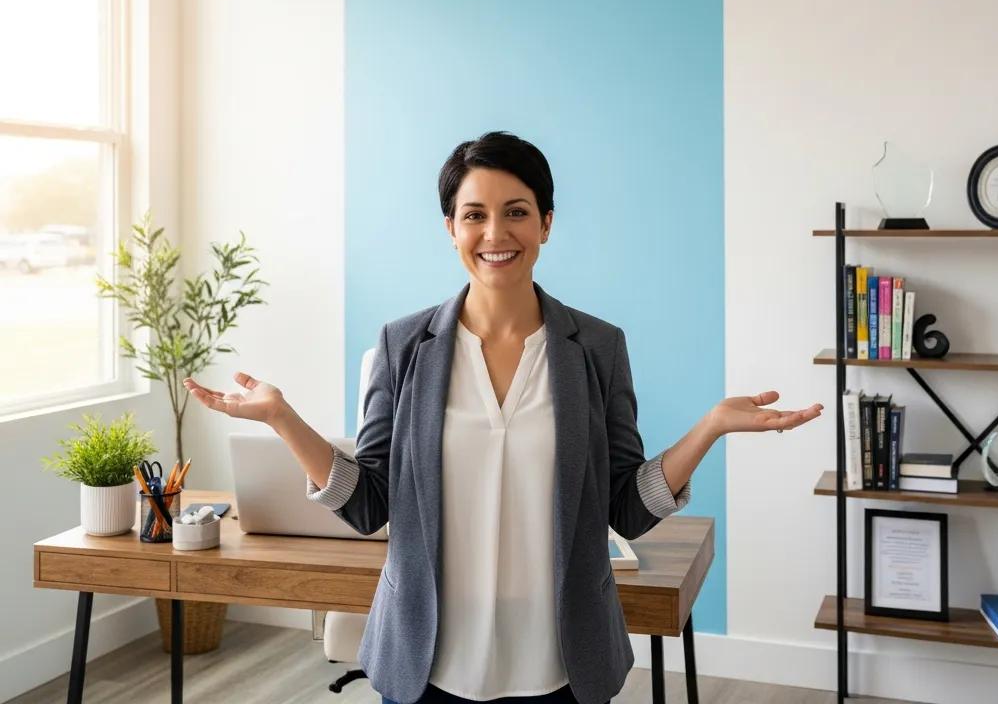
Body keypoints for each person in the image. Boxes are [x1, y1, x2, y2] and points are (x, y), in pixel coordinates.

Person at [184, 131, 823, 704]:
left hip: (559, 663)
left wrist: (709, 427)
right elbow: (369, 504)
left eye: (516, 212)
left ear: (546, 223)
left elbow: (625, 509)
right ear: (451, 228)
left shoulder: (597, 348)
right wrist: (282, 418)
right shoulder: (403, 347)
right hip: (428, 662)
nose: (495, 233)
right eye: (475, 215)